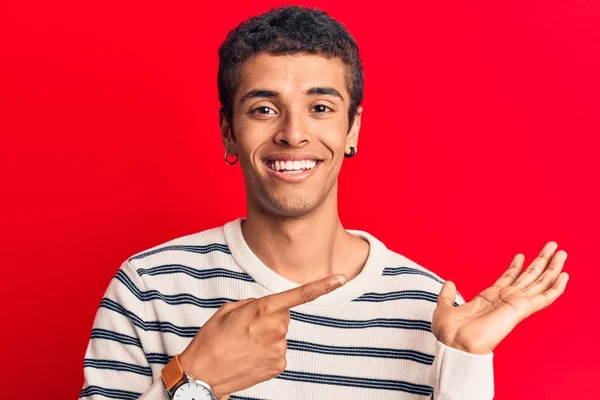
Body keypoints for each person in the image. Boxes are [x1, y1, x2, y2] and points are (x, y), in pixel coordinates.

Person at [79, 5, 569, 400]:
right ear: (229, 131)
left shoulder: (432, 310)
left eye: (320, 108)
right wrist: (194, 379)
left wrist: (466, 362)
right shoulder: (148, 287)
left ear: (352, 128)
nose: (293, 134)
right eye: (264, 109)